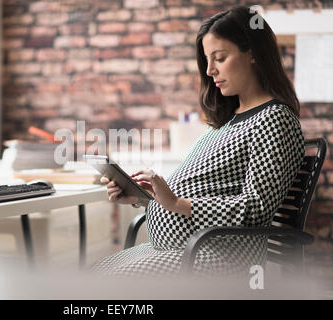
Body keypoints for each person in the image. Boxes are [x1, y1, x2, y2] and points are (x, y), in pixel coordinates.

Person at [92, 6, 305, 277]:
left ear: (252, 53)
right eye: (207, 60)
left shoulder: (274, 119)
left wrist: (177, 204)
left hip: (220, 258)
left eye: (220, 58)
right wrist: (145, 198)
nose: (210, 70)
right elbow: (209, 190)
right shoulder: (226, 123)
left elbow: (256, 210)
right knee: (92, 274)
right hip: (183, 249)